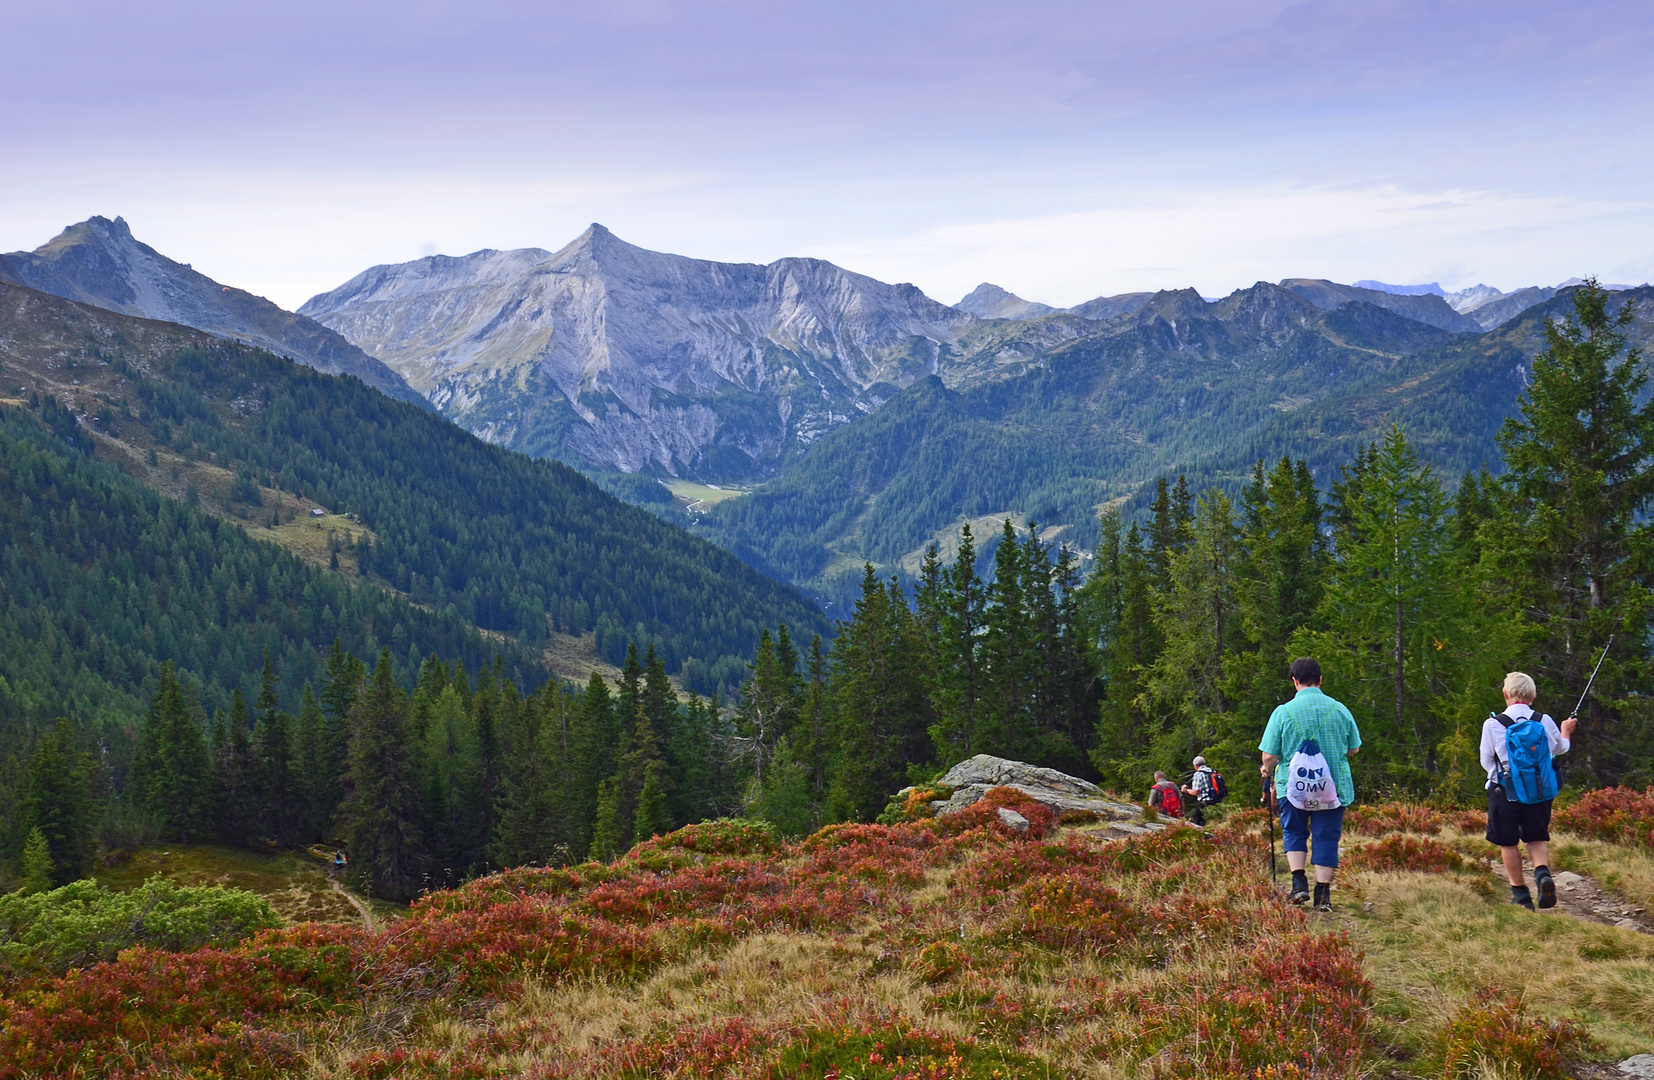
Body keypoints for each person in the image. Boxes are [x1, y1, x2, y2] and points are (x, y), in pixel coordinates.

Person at [1259, 657, 1362, 911]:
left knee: (1294, 832)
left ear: (1295, 681)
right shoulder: (1339, 709)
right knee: (1326, 837)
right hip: (1332, 787)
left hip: (1293, 789)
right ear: (1320, 680)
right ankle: (1323, 896)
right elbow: (1354, 749)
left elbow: (1269, 755)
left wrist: (1267, 769)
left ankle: (1298, 884)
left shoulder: (1282, 712)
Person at [1481, 671, 1576, 910]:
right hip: (1538, 790)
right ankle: (1542, 874)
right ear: (1532, 696)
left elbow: (1485, 760)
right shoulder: (1543, 720)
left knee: (1508, 843)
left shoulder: (1493, 724)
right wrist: (1566, 730)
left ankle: (1521, 896)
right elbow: (1561, 748)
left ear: (1505, 694)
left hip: (1505, 790)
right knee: (1535, 837)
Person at [1182, 756, 1216, 826]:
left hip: (1205, 802)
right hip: (1216, 799)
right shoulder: (1213, 772)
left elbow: (1196, 792)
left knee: (1199, 822)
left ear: (1195, 765)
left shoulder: (1198, 774)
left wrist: (1186, 790)